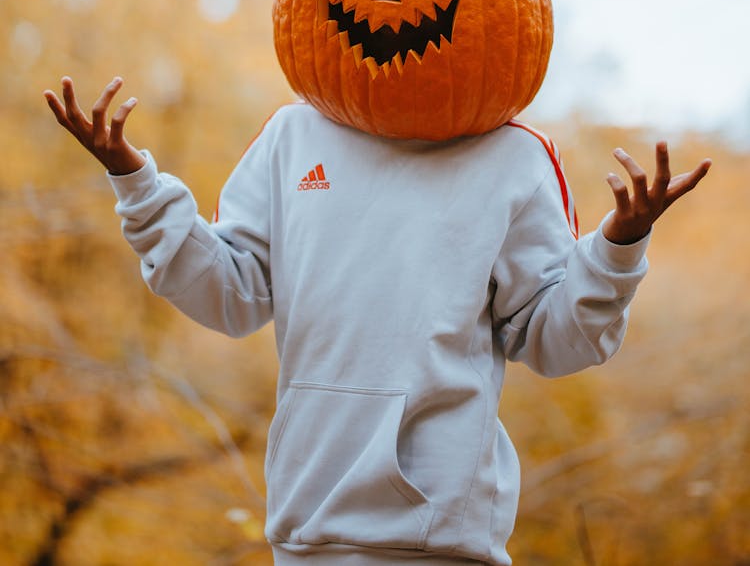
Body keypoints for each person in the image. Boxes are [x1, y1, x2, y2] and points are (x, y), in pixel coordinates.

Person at [44, 73, 711, 566]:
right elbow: (231, 291)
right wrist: (137, 184)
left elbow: (556, 337)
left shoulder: (515, 158)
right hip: (307, 522)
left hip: (444, 536)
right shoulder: (291, 136)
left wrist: (618, 246)